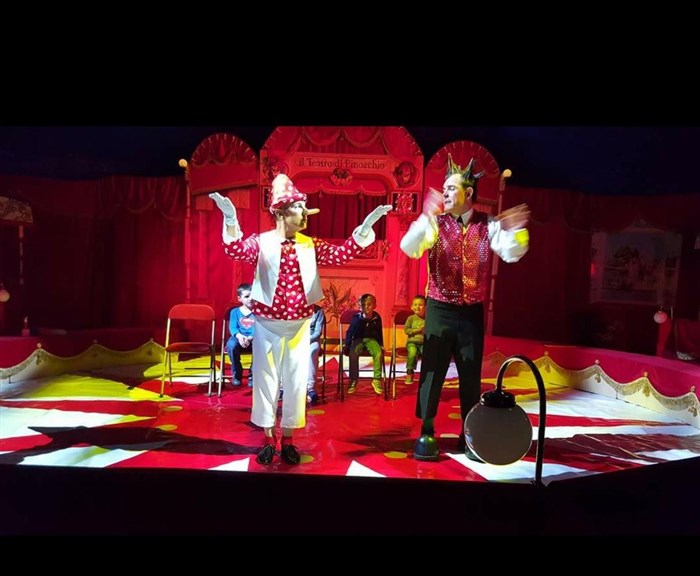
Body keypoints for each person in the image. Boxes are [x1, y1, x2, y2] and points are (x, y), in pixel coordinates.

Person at [210, 174, 392, 465]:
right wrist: (231, 219)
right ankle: (268, 439)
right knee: (266, 382)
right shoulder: (262, 242)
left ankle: (289, 440)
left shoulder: (311, 244)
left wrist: (365, 228)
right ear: (280, 212)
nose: (305, 214)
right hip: (266, 323)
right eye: (299, 208)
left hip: (299, 325)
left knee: (296, 383)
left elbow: (342, 254)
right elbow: (235, 249)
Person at [399, 154, 530, 461]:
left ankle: (468, 433)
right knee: (432, 371)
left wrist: (518, 230)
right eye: (443, 188)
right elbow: (409, 247)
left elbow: (512, 253)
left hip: (471, 312)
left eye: (451, 188)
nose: (444, 193)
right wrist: (426, 215)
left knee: (470, 373)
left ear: (468, 193)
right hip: (439, 309)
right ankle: (427, 430)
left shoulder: (489, 224)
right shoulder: (435, 222)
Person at [343, 293, 384, 395]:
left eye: (369, 304)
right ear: (360, 306)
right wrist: (347, 344)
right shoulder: (356, 318)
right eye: (363, 305)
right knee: (353, 354)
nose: (366, 307)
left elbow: (379, 332)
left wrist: (381, 344)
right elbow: (350, 332)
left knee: (378, 354)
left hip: (372, 340)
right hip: (358, 339)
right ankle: (353, 379)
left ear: (374, 305)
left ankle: (377, 379)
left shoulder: (377, 318)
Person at [225, 282, 255, 387]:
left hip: (254, 338)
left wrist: (250, 337)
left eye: (252, 296)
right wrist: (240, 336)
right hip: (238, 337)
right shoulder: (235, 312)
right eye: (247, 296)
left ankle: (253, 375)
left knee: (261, 346)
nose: (250, 299)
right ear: (239, 298)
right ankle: (237, 373)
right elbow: (233, 327)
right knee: (231, 345)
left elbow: (259, 327)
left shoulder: (258, 312)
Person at [403, 294, 426, 385]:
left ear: (425, 307)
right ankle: (409, 372)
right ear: (412, 307)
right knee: (412, 353)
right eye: (415, 305)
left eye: (420, 305)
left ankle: (426, 374)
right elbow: (406, 330)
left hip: (424, 343)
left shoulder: (427, 319)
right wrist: (417, 330)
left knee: (428, 355)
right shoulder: (411, 318)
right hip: (412, 342)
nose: (417, 307)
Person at [306, 303, 325, 404]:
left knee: (312, 352)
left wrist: (308, 340)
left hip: (312, 339)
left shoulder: (319, 311)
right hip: (296, 337)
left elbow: (318, 332)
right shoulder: (295, 307)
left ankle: (310, 388)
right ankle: (283, 387)